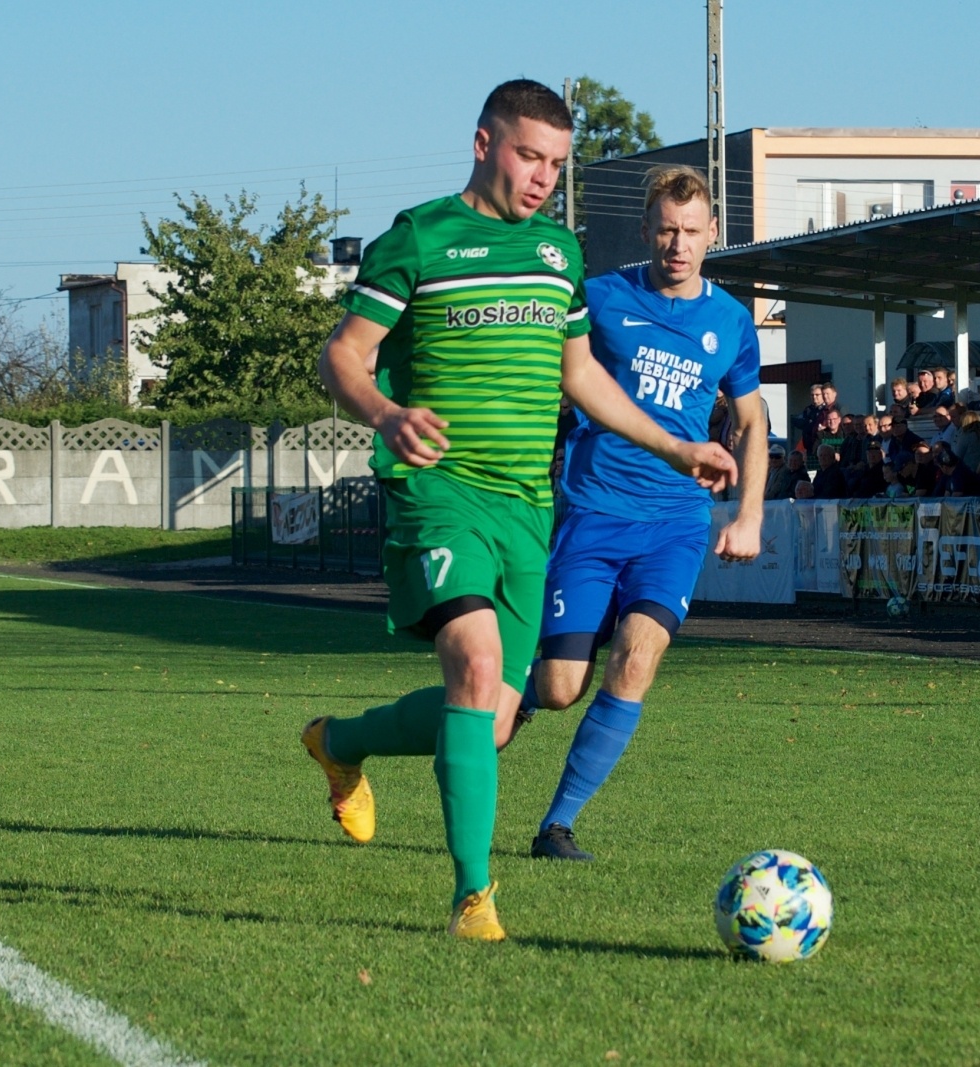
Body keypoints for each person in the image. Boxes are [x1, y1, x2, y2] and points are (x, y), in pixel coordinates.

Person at [304, 82, 736, 941]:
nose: (542, 178)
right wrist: (387, 414)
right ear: (483, 142)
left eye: (556, 164)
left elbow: (581, 376)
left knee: (496, 715)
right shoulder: (419, 238)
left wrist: (676, 447)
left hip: (528, 508)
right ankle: (474, 898)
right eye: (529, 156)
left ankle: (340, 742)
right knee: (470, 659)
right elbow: (342, 356)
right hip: (438, 491)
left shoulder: (555, 254)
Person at [519, 164, 766, 864]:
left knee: (635, 657)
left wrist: (748, 514)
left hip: (676, 523)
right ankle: (521, 692)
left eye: (690, 231)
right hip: (593, 514)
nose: (677, 244)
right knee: (563, 686)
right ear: (646, 230)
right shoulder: (598, 298)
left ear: (713, 233)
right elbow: (550, 371)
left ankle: (556, 826)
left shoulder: (730, 321)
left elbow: (752, 419)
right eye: (666, 229)